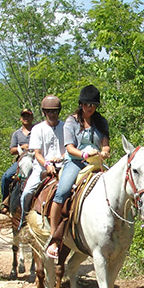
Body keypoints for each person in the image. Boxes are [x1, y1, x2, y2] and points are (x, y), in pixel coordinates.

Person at [45, 84, 111, 260]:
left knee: (117, 187)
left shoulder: (101, 121)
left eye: (93, 104)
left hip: (96, 162)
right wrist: (83, 153)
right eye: (87, 104)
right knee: (62, 191)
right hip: (75, 162)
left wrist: (104, 152)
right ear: (81, 104)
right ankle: (53, 237)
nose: (90, 107)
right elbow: (69, 147)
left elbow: (105, 144)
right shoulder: (71, 121)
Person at [18, 95, 65, 228]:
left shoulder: (66, 127)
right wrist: (47, 164)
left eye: (55, 111)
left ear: (58, 112)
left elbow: (70, 148)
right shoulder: (37, 129)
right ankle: (24, 222)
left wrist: (62, 157)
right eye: (49, 111)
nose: (52, 114)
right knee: (27, 193)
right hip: (41, 168)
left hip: (63, 167)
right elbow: (37, 153)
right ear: (44, 112)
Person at [0, 107, 34, 213]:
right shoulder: (16, 134)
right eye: (24, 116)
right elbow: (12, 150)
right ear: (20, 119)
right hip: (21, 159)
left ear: (32, 117)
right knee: (6, 177)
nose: (26, 118)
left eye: (28, 116)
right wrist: (23, 147)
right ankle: (6, 202)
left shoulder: (37, 130)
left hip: (35, 158)